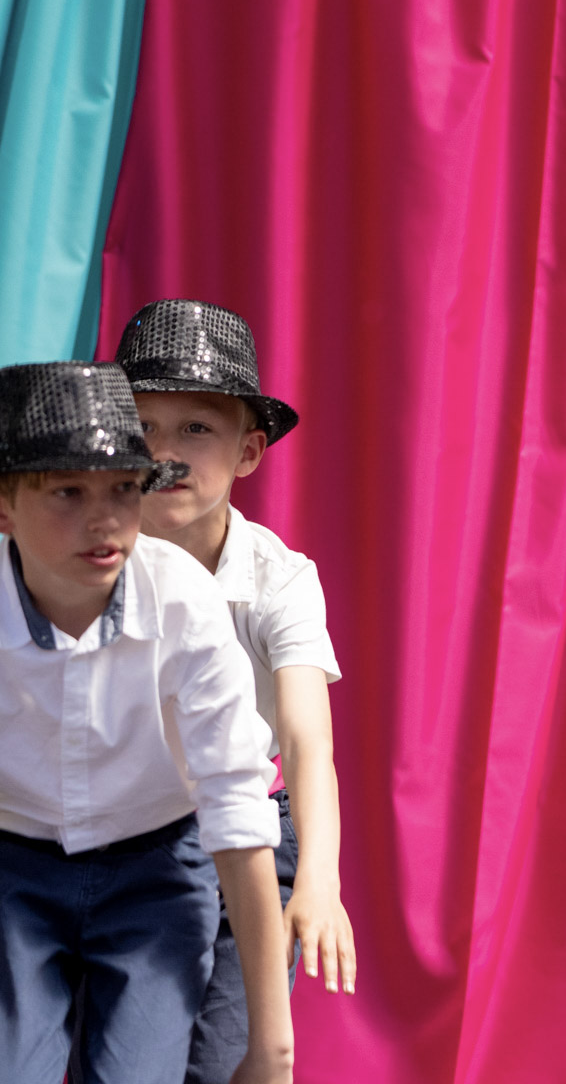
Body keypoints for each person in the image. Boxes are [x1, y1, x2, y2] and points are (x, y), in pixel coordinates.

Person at [0, 361, 293, 1084]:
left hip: (155, 868)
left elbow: (236, 810)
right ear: (5, 505)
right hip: (13, 867)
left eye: (124, 490)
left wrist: (272, 1046)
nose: (103, 520)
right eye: (68, 491)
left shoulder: (184, 601)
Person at [112, 299, 354, 1082]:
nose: (165, 452)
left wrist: (319, 879)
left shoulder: (278, 578)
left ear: (248, 452)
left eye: (196, 429)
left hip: (253, 831)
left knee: (226, 1060)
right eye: (143, 426)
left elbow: (307, 740)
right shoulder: (90, 556)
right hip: (131, 831)